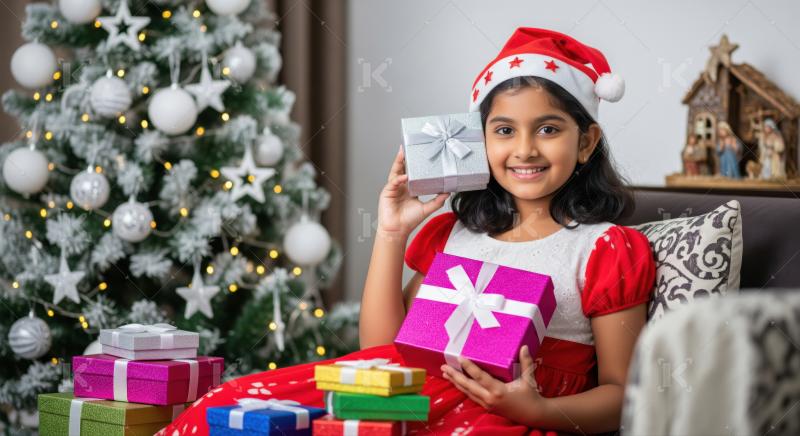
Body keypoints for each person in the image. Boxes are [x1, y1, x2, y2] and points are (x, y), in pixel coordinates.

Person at [159, 27, 656, 436]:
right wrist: (391, 233)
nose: (524, 149)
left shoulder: (603, 248)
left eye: (548, 129)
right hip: (407, 390)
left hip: (505, 416)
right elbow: (383, 348)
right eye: (504, 130)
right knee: (229, 406)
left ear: (586, 140)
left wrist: (537, 411)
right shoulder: (455, 233)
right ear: (479, 139)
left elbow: (621, 394)